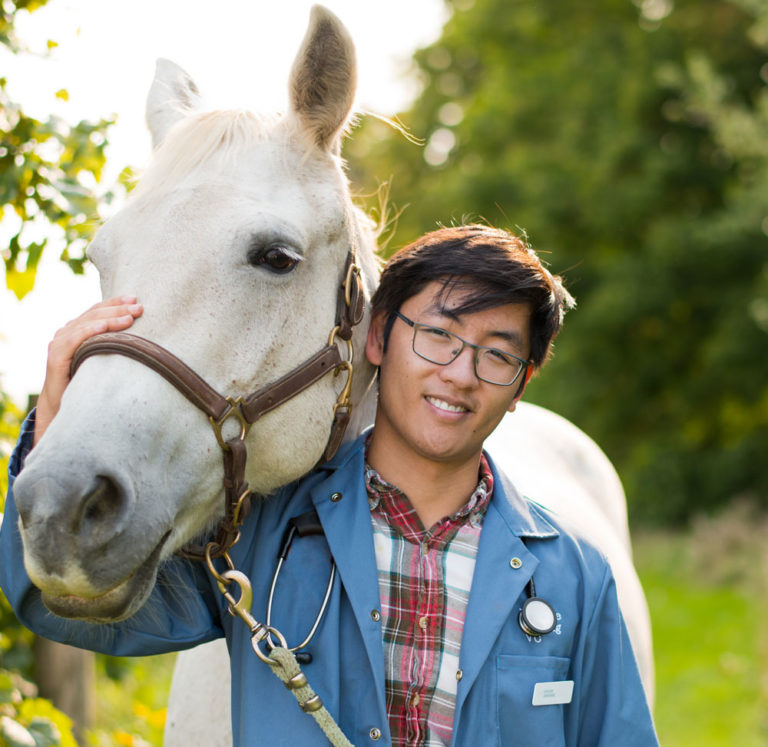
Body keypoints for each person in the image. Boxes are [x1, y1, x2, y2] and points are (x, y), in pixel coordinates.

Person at [0, 225, 659, 745]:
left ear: (522, 383)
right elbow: (55, 596)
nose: (460, 373)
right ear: (377, 336)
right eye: (437, 335)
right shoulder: (257, 538)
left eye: (497, 352)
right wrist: (53, 431)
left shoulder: (578, 573)